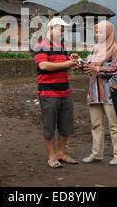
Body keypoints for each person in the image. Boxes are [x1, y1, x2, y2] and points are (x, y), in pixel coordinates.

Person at [32, 17, 80, 169]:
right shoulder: (40, 46)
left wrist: (71, 60)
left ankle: (61, 153)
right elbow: (44, 65)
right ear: (51, 29)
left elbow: (63, 62)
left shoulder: (61, 46)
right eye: (61, 29)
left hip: (64, 91)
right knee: (49, 125)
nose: (63, 32)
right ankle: (52, 156)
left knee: (66, 124)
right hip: (48, 93)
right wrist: (66, 63)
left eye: (64, 29)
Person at [81, 20, 117, 166]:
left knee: (114, 124)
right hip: (94, 91)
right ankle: (96, 154)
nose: (97, 34)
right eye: (96, 32)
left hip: (109, 92)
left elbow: (115, 69)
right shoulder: (95, 49)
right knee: (96, 124)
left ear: (108, 32)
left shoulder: (116, 49)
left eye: (100, 32)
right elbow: (88, 64)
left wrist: (97, 69)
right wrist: (79, 62)